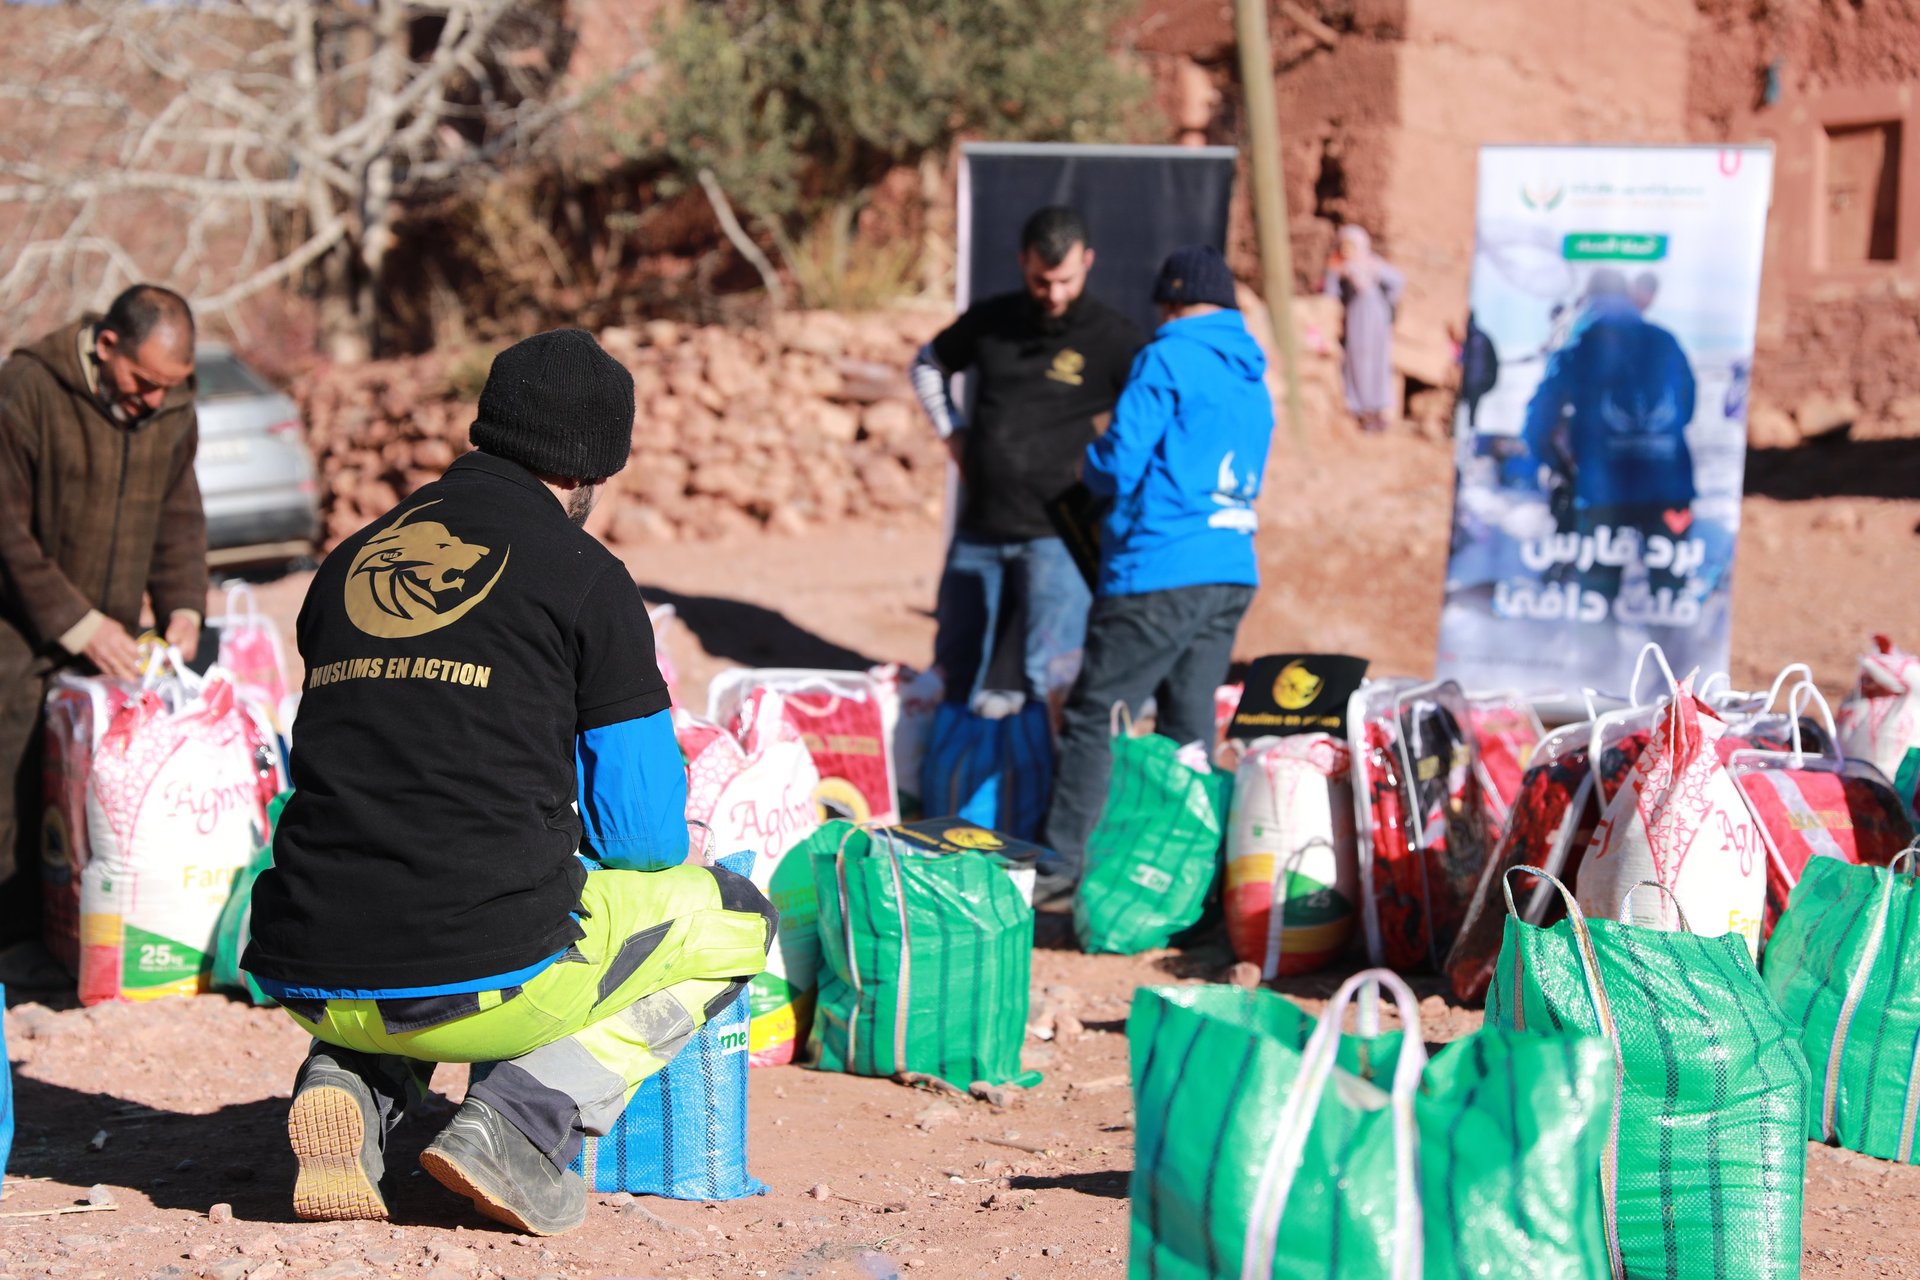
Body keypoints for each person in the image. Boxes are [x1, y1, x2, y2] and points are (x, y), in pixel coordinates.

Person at [243, 329, 775, 1235]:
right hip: (483, 976)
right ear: (592, 472)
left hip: (312, 966)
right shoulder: (583, 576)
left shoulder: (353, 559)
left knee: (416, 889)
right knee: (733, 919)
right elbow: (642, 837)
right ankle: (520, 1123)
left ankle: (352, 1085)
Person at [1035, 246, 1273, 905]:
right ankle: (1188, 879)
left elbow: (1121, 461)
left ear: (1171, 303)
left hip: (1160, 567)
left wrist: (1089, 466)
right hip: (1231, 566)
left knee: (1094, 715)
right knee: (1188, 725)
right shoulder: (1253, 373)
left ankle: (1063, 875)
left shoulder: (1167, 354)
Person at [0, 284, 206, 963]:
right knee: (13, 778)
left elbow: (178, 516)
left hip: (110, 633)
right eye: (143, 382)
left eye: (168, 387)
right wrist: (78, 624)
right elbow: (5, 531)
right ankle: (14, 945)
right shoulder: (27, 388)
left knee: (89, 791)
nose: (154, 399)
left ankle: (76, 940)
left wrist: (183, 607)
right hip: (18, 628)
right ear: (107, 344)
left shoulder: (172, 406)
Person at [909, 206, 1145, 709]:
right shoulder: (992, 321)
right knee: (954, 673)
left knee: (1052, 681)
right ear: (1022, 263)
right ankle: (949, 781)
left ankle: (1043, 785)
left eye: (1066, 281)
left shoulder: (1115, 338)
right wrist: (952, 434)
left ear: (1088, 261)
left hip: (1059, 536)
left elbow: (1151, 415)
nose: (1054, 295)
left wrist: (1111, 471)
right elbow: (927, 364)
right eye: (1042, 282)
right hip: (980, 529)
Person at [1521, 269, 1698, 602]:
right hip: (1668, 484)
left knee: (1597, 595)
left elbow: (1539, 421)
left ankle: (1599, 650)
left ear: (1588, 299)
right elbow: (1686, 406)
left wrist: (1558, 463)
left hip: (1603, 489)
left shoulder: (1578, 346)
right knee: (1671, 595)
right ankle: (1673, 651)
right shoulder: (1665, 341)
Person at [1324, 224, 1405, 433]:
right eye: (1344, 246)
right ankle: (1361, 408)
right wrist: (1334, 272)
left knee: (1378, 360)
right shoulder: (1340, 267)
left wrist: (1389, 304)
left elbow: (1397, 281)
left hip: (1377, 316)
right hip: (1356, 317)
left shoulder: (1373, 264)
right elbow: (1330, 293)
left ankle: (1378, 409)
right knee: (1358, 360)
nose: (1346, 251)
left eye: (1351, 246)